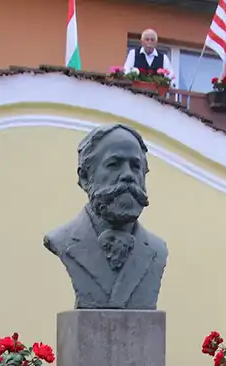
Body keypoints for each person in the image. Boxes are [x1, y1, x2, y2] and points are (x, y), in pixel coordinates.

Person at [43, 123, 168, 310]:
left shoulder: (157, 250)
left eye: (135, 166)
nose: (128, 175)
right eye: (114, 164)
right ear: (85, 178)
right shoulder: (62, 240)